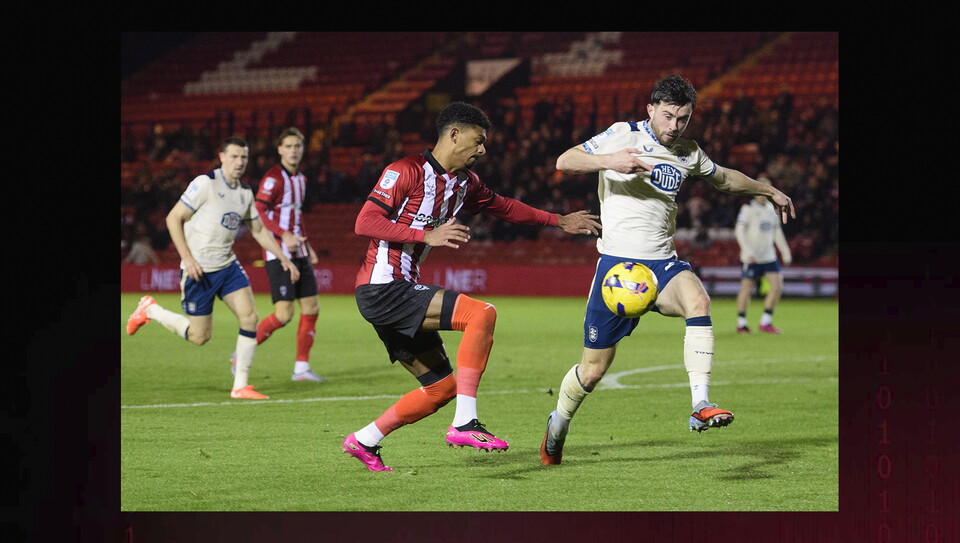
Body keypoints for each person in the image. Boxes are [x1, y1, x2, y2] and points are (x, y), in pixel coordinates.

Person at [540, 74, 796, 465]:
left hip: (662, 265)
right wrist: (611, 160)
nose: (674, 126)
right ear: (651, 109)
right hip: (617, 270)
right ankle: (558, 423)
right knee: (591, 372)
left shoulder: (688, 152)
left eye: (683, 119)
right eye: (668, 116)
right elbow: (565, 160)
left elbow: (724, 178)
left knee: (699, 301)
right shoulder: (622, 134)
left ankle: (700, 404)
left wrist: (768, 190)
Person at [343, 101, 602, 471]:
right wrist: (425, 235)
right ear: (454, 135)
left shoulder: (466, 183)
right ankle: (465, 422)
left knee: (441, 389)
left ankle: (364, 440)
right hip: (383, 286)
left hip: (398, 289)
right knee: (481, 314)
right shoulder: (405, 171)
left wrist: (557, 220)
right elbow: (365, 221)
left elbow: (504, 206)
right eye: (478, 140)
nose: (483, 149)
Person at [126, 137, 300, 400]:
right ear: (222, 157)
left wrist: (283, 258)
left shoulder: (244, 193)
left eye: (243, 157)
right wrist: (187, 258)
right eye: (234, 156)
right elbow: (173, 218)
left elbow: (258, 230)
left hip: (227, 266)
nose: (239, 162)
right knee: (199, 337)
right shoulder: (205, 184)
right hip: (199, 269)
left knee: (250, 318)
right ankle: (150, 309)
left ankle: (240, 386)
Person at [228, 127, 326, 382]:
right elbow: (258, 211)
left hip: (299, 251)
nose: (294, 151)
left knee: (312, 307)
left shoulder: (301, 178)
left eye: (298, 146)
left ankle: (301, 368)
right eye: (289, 146)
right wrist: (284, 234)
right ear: (280, 149)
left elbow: (297, 215)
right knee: (284, 315)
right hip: (278, 253)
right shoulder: (274, 178)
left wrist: (307, 245)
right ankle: (240, 354)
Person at [734, 176, 793, 334]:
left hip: (768, 256)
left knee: (777, 286)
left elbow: (777, 232)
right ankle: (741, 323)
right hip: (751, 258)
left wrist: (785, 252)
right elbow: (739, 231)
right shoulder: (747, 209)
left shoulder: (772, 209)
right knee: (746, 289)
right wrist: (747, 251)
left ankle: (765, 321)